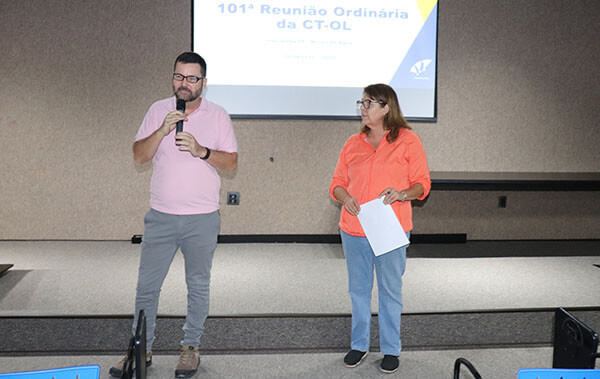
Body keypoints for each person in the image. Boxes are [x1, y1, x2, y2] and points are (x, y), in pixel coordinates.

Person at [110, 52, 238, 378]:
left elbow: (232, 164)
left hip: (202, 217)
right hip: (161, 217)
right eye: (179, 77)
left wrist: (202, 151)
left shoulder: (218, 115)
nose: (184, 84)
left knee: (197, 285)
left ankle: (190, 348)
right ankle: (142, 348)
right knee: (147, 287)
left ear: (203, 83)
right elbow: (139, 156)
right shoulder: (157, 110)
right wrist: (160, 132)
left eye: (192, 78)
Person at [329, 83, 430, 374]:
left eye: (368, 103)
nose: (362, 108)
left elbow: (423, 183)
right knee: (358, 291)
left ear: (386, 107)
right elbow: (336, 184)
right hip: (354, 228)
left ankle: (391, 349)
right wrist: (345, 197)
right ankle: (359, 345)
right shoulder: (352, 143)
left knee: (390, 291)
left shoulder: (408, 140)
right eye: (360, 103)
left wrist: (403, 193)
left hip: (390, 228)